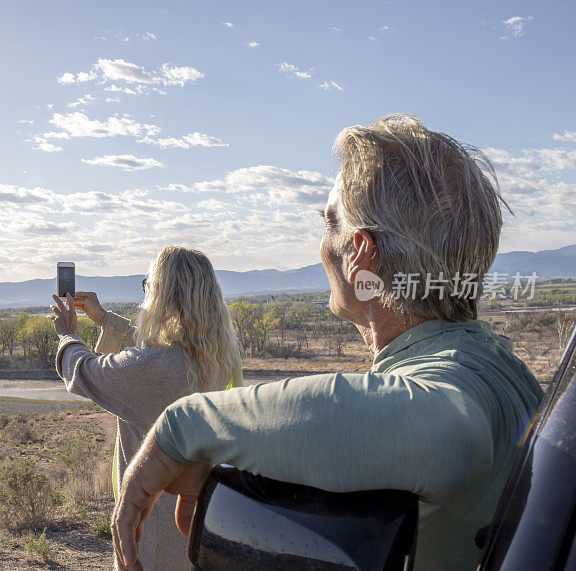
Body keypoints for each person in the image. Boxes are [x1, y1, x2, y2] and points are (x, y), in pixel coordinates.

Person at [111, 115, 545, 571]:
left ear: (359, 254)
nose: (321, 246)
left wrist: (182, 428)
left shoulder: (453, 385)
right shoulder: (498, 367)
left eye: (328, 223)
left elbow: (445, 434)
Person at [49, 245, 242, 571]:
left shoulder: (158, 367)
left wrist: (67, 335)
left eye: (148, 285)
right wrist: (104, 319)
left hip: (152, 521)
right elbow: (152, 357)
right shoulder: (217, 354)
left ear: (165, 296)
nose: (145, 293)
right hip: (201, 513)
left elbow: (85, 373)